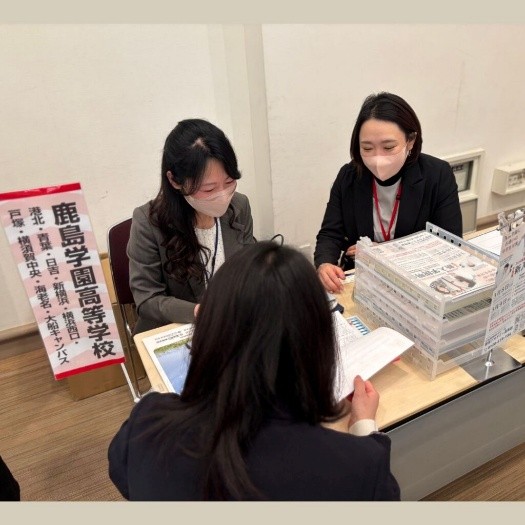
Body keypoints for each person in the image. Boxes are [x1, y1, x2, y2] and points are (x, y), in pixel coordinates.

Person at [108, 241, 400, 501]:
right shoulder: (358, 467)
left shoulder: (146, 422)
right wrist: (364, 428)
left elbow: (125, 478)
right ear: (316, 346)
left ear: (210, 331)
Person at [314, 92, 463, 294]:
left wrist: (386, 255)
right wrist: (325, 264)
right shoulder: (349, 176)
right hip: (361, 277)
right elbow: (330, 234)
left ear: (410, 141)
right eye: (367, 148)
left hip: (415, 283)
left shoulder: (437, 175)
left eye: (388, 147)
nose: (378, 158)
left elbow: (449, 245)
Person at [128, 118, 255, 334]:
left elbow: (250, 268)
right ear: (175, 181)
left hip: (232, 325)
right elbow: (147, 299)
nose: (223, 195)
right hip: (176, 330)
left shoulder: (239, 206)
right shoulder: (148, 222)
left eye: (229, 182)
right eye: (208, 189)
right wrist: (199, 312)